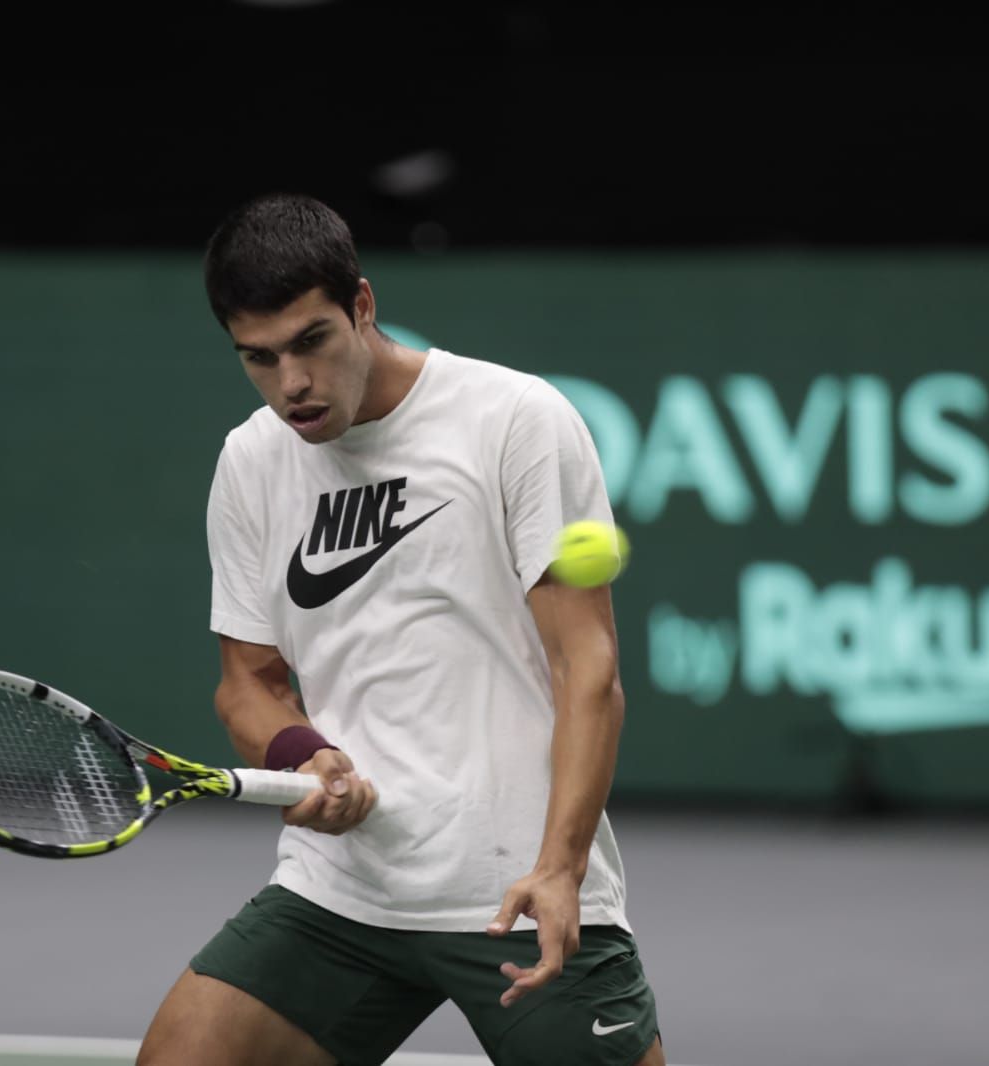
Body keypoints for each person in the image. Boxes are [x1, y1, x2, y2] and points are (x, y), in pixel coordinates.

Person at [136, 194, 663, 1066]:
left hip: (514, 886)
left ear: (363, 307)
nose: (291, 385)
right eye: (258, 359)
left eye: (312, 342)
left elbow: (588, 669)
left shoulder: (514, 420)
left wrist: (561, 865)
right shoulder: (251, 460)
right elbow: (248, 682)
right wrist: (303, 754)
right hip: (342, 892)